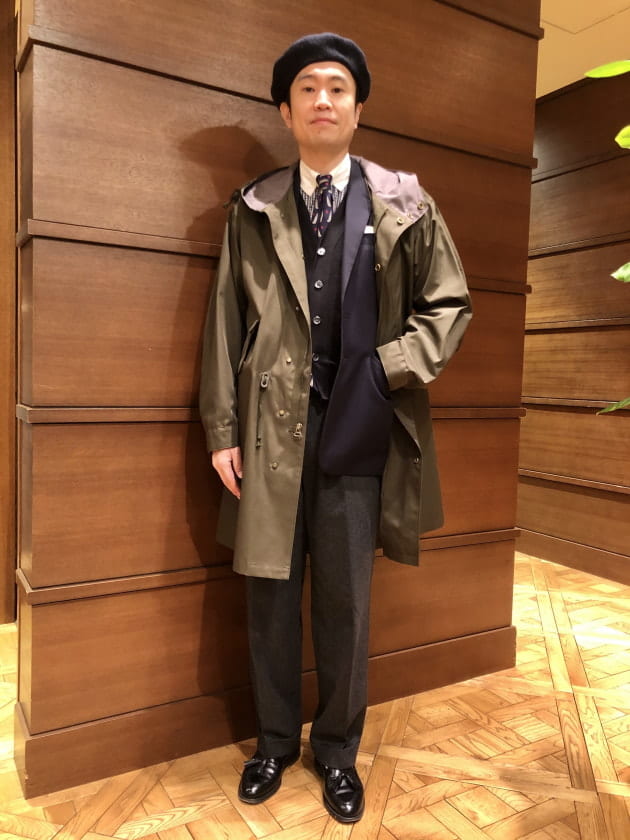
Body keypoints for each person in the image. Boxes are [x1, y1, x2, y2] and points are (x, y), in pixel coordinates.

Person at [199, 32, 472, 824]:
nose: (324, 100)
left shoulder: (406, 202)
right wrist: (221, 428)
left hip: (361, 425)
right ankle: (273, 744)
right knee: (269, 596)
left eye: (338, 88)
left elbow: (449, 306)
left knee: (347, 600)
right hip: (267, 432)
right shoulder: (254, 207)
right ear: (286, 113)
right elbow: (223, 322)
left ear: (357, 109)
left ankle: (339, 751)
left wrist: (386, 368)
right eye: (308, 89)